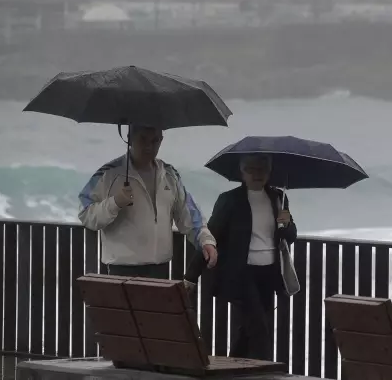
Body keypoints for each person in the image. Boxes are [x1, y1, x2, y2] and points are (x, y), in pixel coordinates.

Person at [184, 154, 297, 360]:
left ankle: (232, 370)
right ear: (242, 172)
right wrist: (192, 275)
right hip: (241, 274)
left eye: (262, 168)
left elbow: (289, 237)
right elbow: (211, 235)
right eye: (251, 169)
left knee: (247, 332)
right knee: (260, 330)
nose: (257, 173)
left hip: (268, 274)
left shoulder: (279, 198)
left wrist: (287, 224)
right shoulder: (230, 199)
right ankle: (267, 374)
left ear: (270, 172)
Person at [78, 125, 218, 279]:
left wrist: (206, 241)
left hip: (160, 268)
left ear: (161, 140)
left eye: (155, 141)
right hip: (121, 269)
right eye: (143, 139)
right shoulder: (108, 173)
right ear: (130, 138)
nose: (149, 146)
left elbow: (189, 215)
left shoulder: (170, 174)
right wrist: (115, 203)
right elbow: (86, 214)